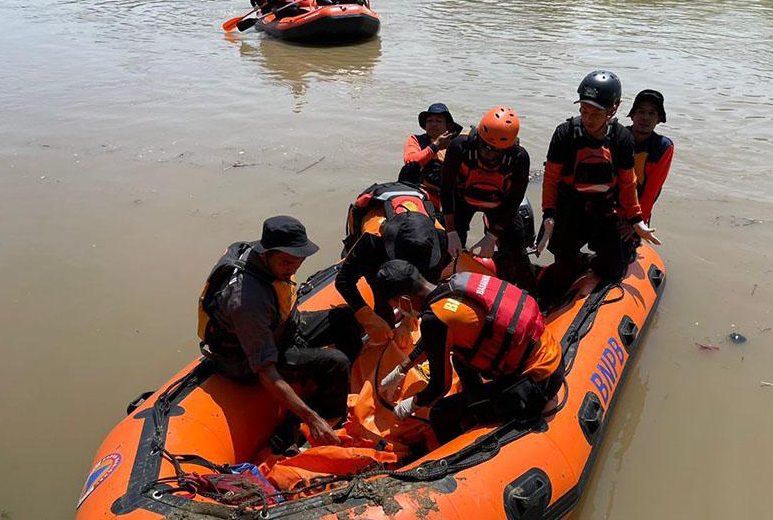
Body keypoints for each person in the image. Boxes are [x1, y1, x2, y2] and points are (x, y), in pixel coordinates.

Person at [197, 216, 364, 447]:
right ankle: (324, 419)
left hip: (281, 329)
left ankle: (339, 388)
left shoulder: (258, 256)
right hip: (245, 359)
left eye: (298, 262)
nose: (293, 269)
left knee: (346, 318)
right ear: (267, 253)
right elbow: (266, 371)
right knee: (336, 362)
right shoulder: (248, 302)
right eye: (286, 263)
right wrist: (312, 419)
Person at [374, 260, 563, 445]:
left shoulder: (435, 320)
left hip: (538, 382)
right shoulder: (455, 283)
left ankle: (454, 451)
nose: (399, 310)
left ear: (405, 301)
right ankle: (476, 403)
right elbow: (432, 341)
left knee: (439, 412)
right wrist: (401, 370)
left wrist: (410, 405)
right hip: (548, 351)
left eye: (396, 306)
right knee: (459, 359)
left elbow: (439, 388)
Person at [535, 71, 661, 306]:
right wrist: (549, 215)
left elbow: (628, 182)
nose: (588, 119)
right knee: (562, 264)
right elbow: (551, 179)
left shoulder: (622, 138)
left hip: (603, 210)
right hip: (569, 208)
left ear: (613, 109)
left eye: (595, 113)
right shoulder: (564, 134)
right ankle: (571, 268)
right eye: (584, 111)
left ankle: (589, 266)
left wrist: (636, 219)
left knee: (614, 268)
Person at [335, 182, 449, 343]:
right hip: (379, 234)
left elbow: (429, 285)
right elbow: (343, 280)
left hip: (415, 222)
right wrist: (369, 319)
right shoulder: (373, 240)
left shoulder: (439, 239)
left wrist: (408, 320)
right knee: (380, 296)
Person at [440, 107, 535, 290]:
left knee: (518, 254)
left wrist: (492, 236)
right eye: (485, 146)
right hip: (462, 200)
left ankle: (533, 294)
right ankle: (439, 287)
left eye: (496, 150)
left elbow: (514, 200)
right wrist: (451, 231)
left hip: (500, 204)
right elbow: (446, 189)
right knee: (445, 247)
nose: (488, 153)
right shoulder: (459, 146)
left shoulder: (519, 157)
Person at [399, 103, 463, 211]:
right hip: (418, 193)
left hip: (448, 199)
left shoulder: (457, 145)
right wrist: (435, 147)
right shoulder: (415, 139)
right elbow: (410, 162)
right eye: (429, 120)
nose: (433, 124)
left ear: (448, 126)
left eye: (438, 121)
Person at [628, 89, 674, 226]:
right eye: (641, 111)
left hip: (638, 212)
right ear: (632, 115)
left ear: (659, 119)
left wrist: (637, 223)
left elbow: (650, 192)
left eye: (652, 113)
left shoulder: (662, 147)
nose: (645, 118)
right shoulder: (618, 136)